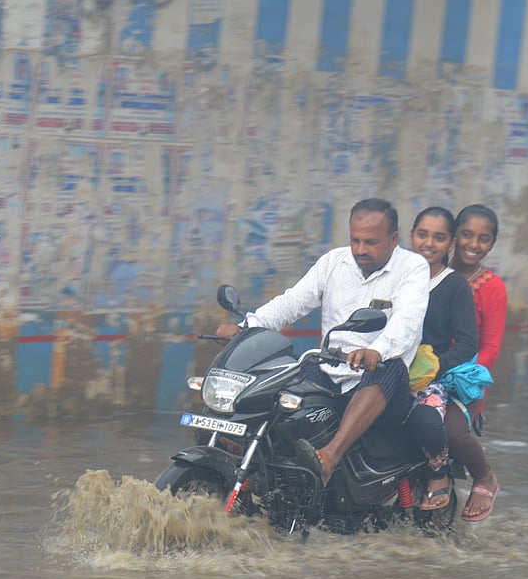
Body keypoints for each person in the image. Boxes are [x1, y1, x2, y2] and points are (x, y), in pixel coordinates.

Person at [215, 198, 429, 486]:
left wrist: (376, 350)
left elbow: (407, 321)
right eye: (355, 240)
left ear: (393, 239)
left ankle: (329, 457)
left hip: (383, 384)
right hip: (329, 371)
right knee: (281, 385)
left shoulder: (413, 267)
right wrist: (246, 328)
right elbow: (292, 302)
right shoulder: (333, 262)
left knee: (389, 368)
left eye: (370, 242)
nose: (360, 250)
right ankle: (255, 463)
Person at [403, 207, 479, 510]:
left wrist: (434, 368)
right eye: (422, 234)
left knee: (425, 418)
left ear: (450, 244)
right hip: (386, 370)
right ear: (411, 236)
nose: (428, 243)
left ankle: (439, 471)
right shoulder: (397, 278)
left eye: (438, 237)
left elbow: (467, 344)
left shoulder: (454, 286)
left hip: (429, 379)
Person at [448, 204, 507, 521]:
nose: (473, 244)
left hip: (465, 379)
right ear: (455, 235)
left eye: (483, 239)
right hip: (422, 370)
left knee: (453, 431)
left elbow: (491, 347)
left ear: (492, 244)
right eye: (467, 235)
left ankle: (484, 476)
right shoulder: (430, 271)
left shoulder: (492, 287)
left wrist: (459, 376)